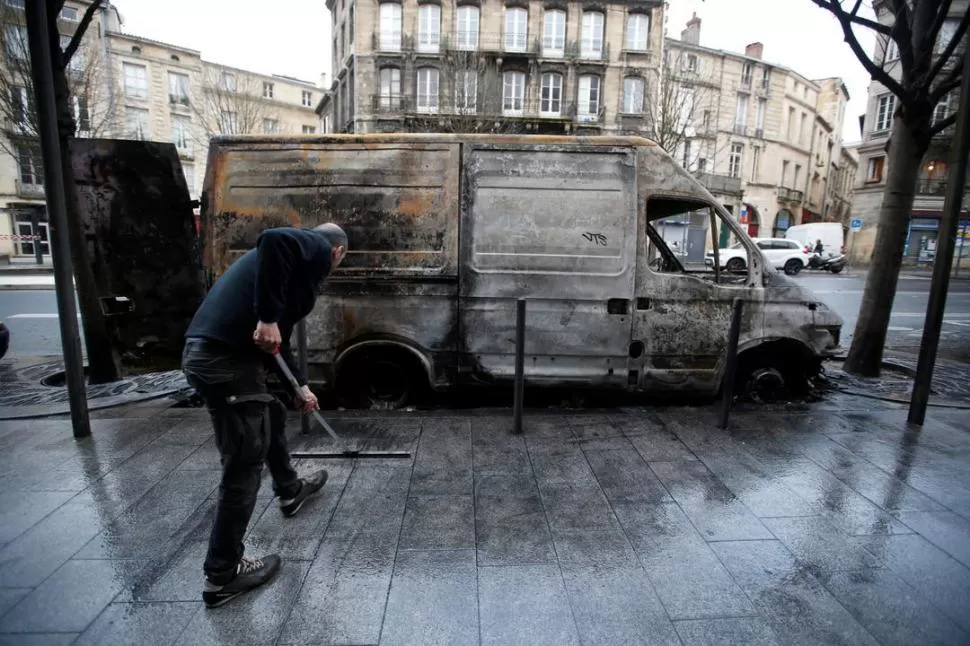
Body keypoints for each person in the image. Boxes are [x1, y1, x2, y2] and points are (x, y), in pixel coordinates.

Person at [181, 222, 348, 608]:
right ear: (337, 251)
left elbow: (276, 345)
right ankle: (222, 575)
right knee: (243, 465)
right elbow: (275, 238)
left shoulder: (284, 275)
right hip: (224, 362)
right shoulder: (315, 247)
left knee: (269, 410)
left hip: (220, 358)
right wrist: (268, 317)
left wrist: (299, 387)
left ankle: (290, 490)